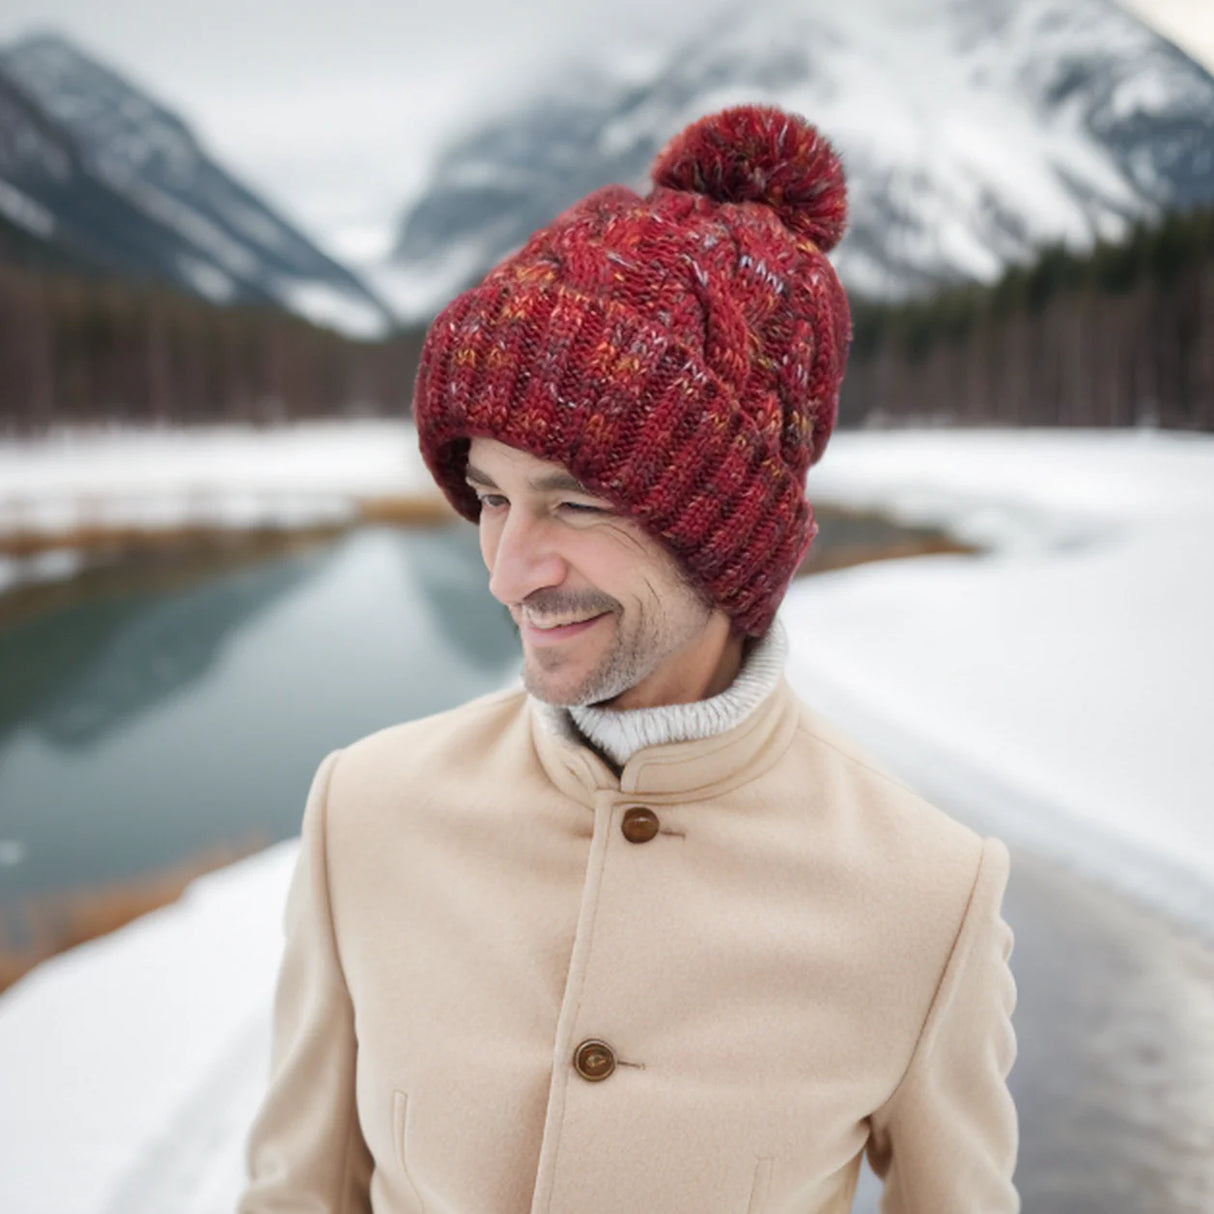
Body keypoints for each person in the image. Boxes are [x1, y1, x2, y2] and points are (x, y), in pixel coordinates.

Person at [238, 104, 1019, 1214]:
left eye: (577, 501)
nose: (508, 570)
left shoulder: (927, 895)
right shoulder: (361, 812)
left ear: (725, 531)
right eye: (492, 497)